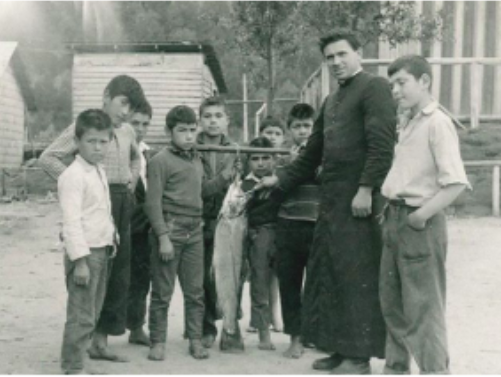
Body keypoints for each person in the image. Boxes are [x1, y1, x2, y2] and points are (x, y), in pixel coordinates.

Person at [257, 30, 397, 374]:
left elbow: (382, 146)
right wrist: (281, 178)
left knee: (356, 275)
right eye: (329, 57)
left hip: (360, 202)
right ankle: (338, 348)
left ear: (359, 53)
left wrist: (366, 188)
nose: (335, 62)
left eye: (341, 54)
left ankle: (359, 357)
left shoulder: (374, 88)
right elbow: (311, 154)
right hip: (332, 203)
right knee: (330, 274)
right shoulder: (331, 100)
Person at [39, 75, 144, 362]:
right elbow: (48, 158)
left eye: (131, 107)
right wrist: (76, 184)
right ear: (106, 96)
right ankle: (77, 355)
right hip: (94, 201)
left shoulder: (126, 132)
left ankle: (99, 343)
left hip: (120, 203)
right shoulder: (83, 127)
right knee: (88, 278)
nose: (126, 112)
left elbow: (137, 159)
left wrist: (133, 179)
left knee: (117, 276)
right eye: (122, 103)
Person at [380, 55, 470, 374]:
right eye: (391, 84)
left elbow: (456, 183)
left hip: (418, 222)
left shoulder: (437, 123)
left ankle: (434, 371)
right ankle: (396, 367)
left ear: (425, 81)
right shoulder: (408, 121)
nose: (395, 90)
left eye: (402, 82)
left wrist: (419, 217)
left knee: (423, 308)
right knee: (392, 304)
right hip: (393, 217)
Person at [145, 105, 233, 361]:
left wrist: (225, 178)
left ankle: (195, 340)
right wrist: (162, 237)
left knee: (195, 291)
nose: (188, 136)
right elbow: (152, 203)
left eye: (192, 130)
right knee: (163, 291)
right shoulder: (159, 161)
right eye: (181, 131)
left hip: (195, 230)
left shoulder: (196, 158)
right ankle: (157, 340)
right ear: (168, 131)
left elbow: (201, 192)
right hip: (170, 230)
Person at [58, 109, 116, 374]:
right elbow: (71, 223)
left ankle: (80, 359)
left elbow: (100, 210)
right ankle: (72, 367)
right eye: (91, 141)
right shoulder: (72, 176)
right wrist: (80, 262)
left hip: (102, 250)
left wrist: (112, 235)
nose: (98, 147)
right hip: (85, 255)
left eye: (103, 141)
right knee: (81, 315)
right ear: (78, 142)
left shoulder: (98, 171)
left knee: (93, 311)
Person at [275, 103, 320, 359]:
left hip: (315, 224)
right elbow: (281, 181)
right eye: (297, 126)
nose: (302, 131)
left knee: (315, 283)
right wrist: (295, 166)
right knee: (289, 282)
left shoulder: (323, 154)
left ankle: (312, 334)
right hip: (289, 223)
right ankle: (295, 336)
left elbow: (321, 175)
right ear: (289, 130)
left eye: (307, 126)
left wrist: (303, 166)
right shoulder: (283, 157)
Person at [196, 96, 236, 349]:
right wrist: (223, 178)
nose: (213, 121)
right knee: (200, 277)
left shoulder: (235, 149)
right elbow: (200, 189)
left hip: (227, 220)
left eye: (218, 116)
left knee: (224, 274)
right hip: (199, 219)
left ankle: (229, 325)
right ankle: (205, 326)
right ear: (200, 120)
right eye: (208, 116)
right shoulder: (193, 147)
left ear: (226, 121)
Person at [242, 136, 283, 351]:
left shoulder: (280, 179)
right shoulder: (245, 184)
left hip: (282, 234)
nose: (260, 163)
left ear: (275, 159)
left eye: (266, 157)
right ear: (248, 161)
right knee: (259, 283)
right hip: (259, 236)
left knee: (285, 282)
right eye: (255, 158)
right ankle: (263, 332)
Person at [126, 100, 154, 347]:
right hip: (122, 218)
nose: (140, 128)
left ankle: (136, 326)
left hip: (143, 223)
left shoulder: (147, 152)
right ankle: (96, 329)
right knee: (115, 276)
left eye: (145, 124)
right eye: (135, 123)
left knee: (141, 277)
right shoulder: (115, 149)